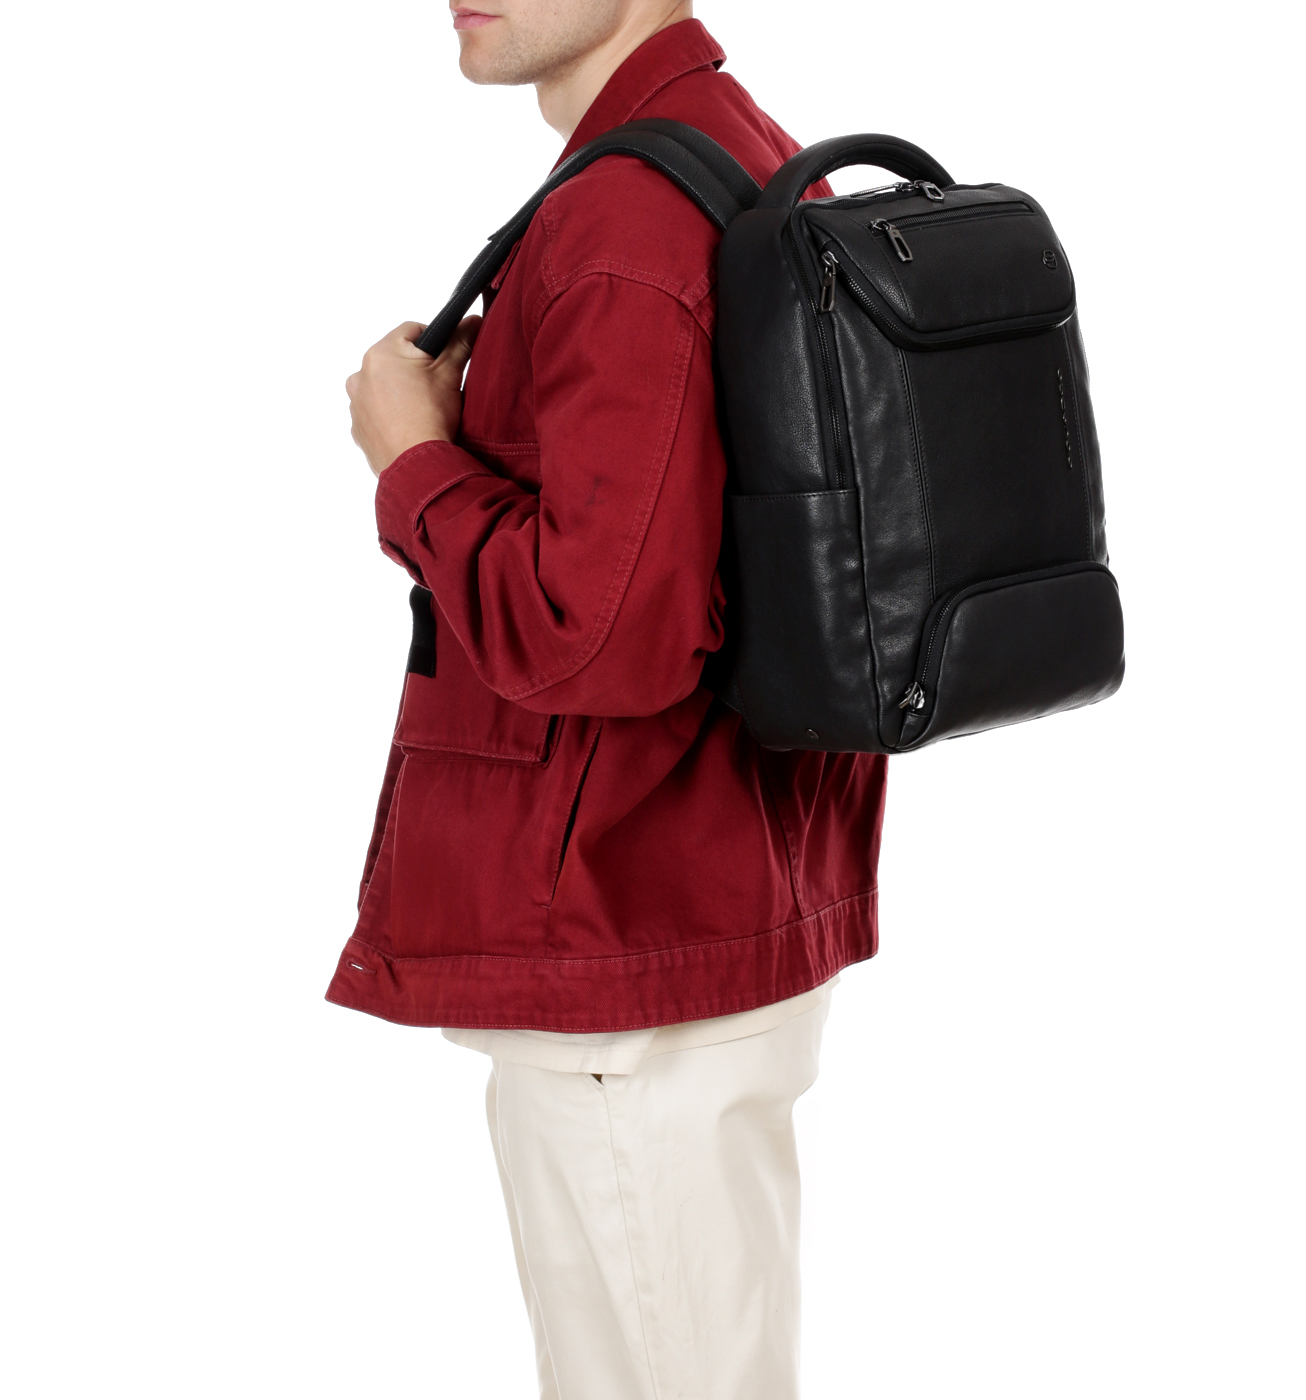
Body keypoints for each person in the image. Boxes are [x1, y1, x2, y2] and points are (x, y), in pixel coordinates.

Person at [335, 3, 886, 1395]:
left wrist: (412, 464)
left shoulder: (629, 213)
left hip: (624, 962)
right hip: (690, 916)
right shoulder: (728, 149)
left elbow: (603, 642)